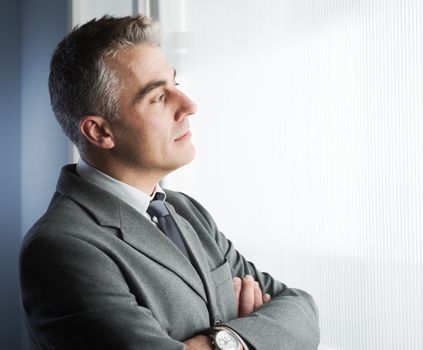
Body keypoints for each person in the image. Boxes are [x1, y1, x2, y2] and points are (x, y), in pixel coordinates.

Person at [19, 15, 320, 350]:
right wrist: (248, 334)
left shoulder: (184, 210)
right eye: (157, 97)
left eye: (175, 85)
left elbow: (301, 310)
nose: (189, 106)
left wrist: (224, 340)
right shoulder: (61, 247)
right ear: (100, 131)